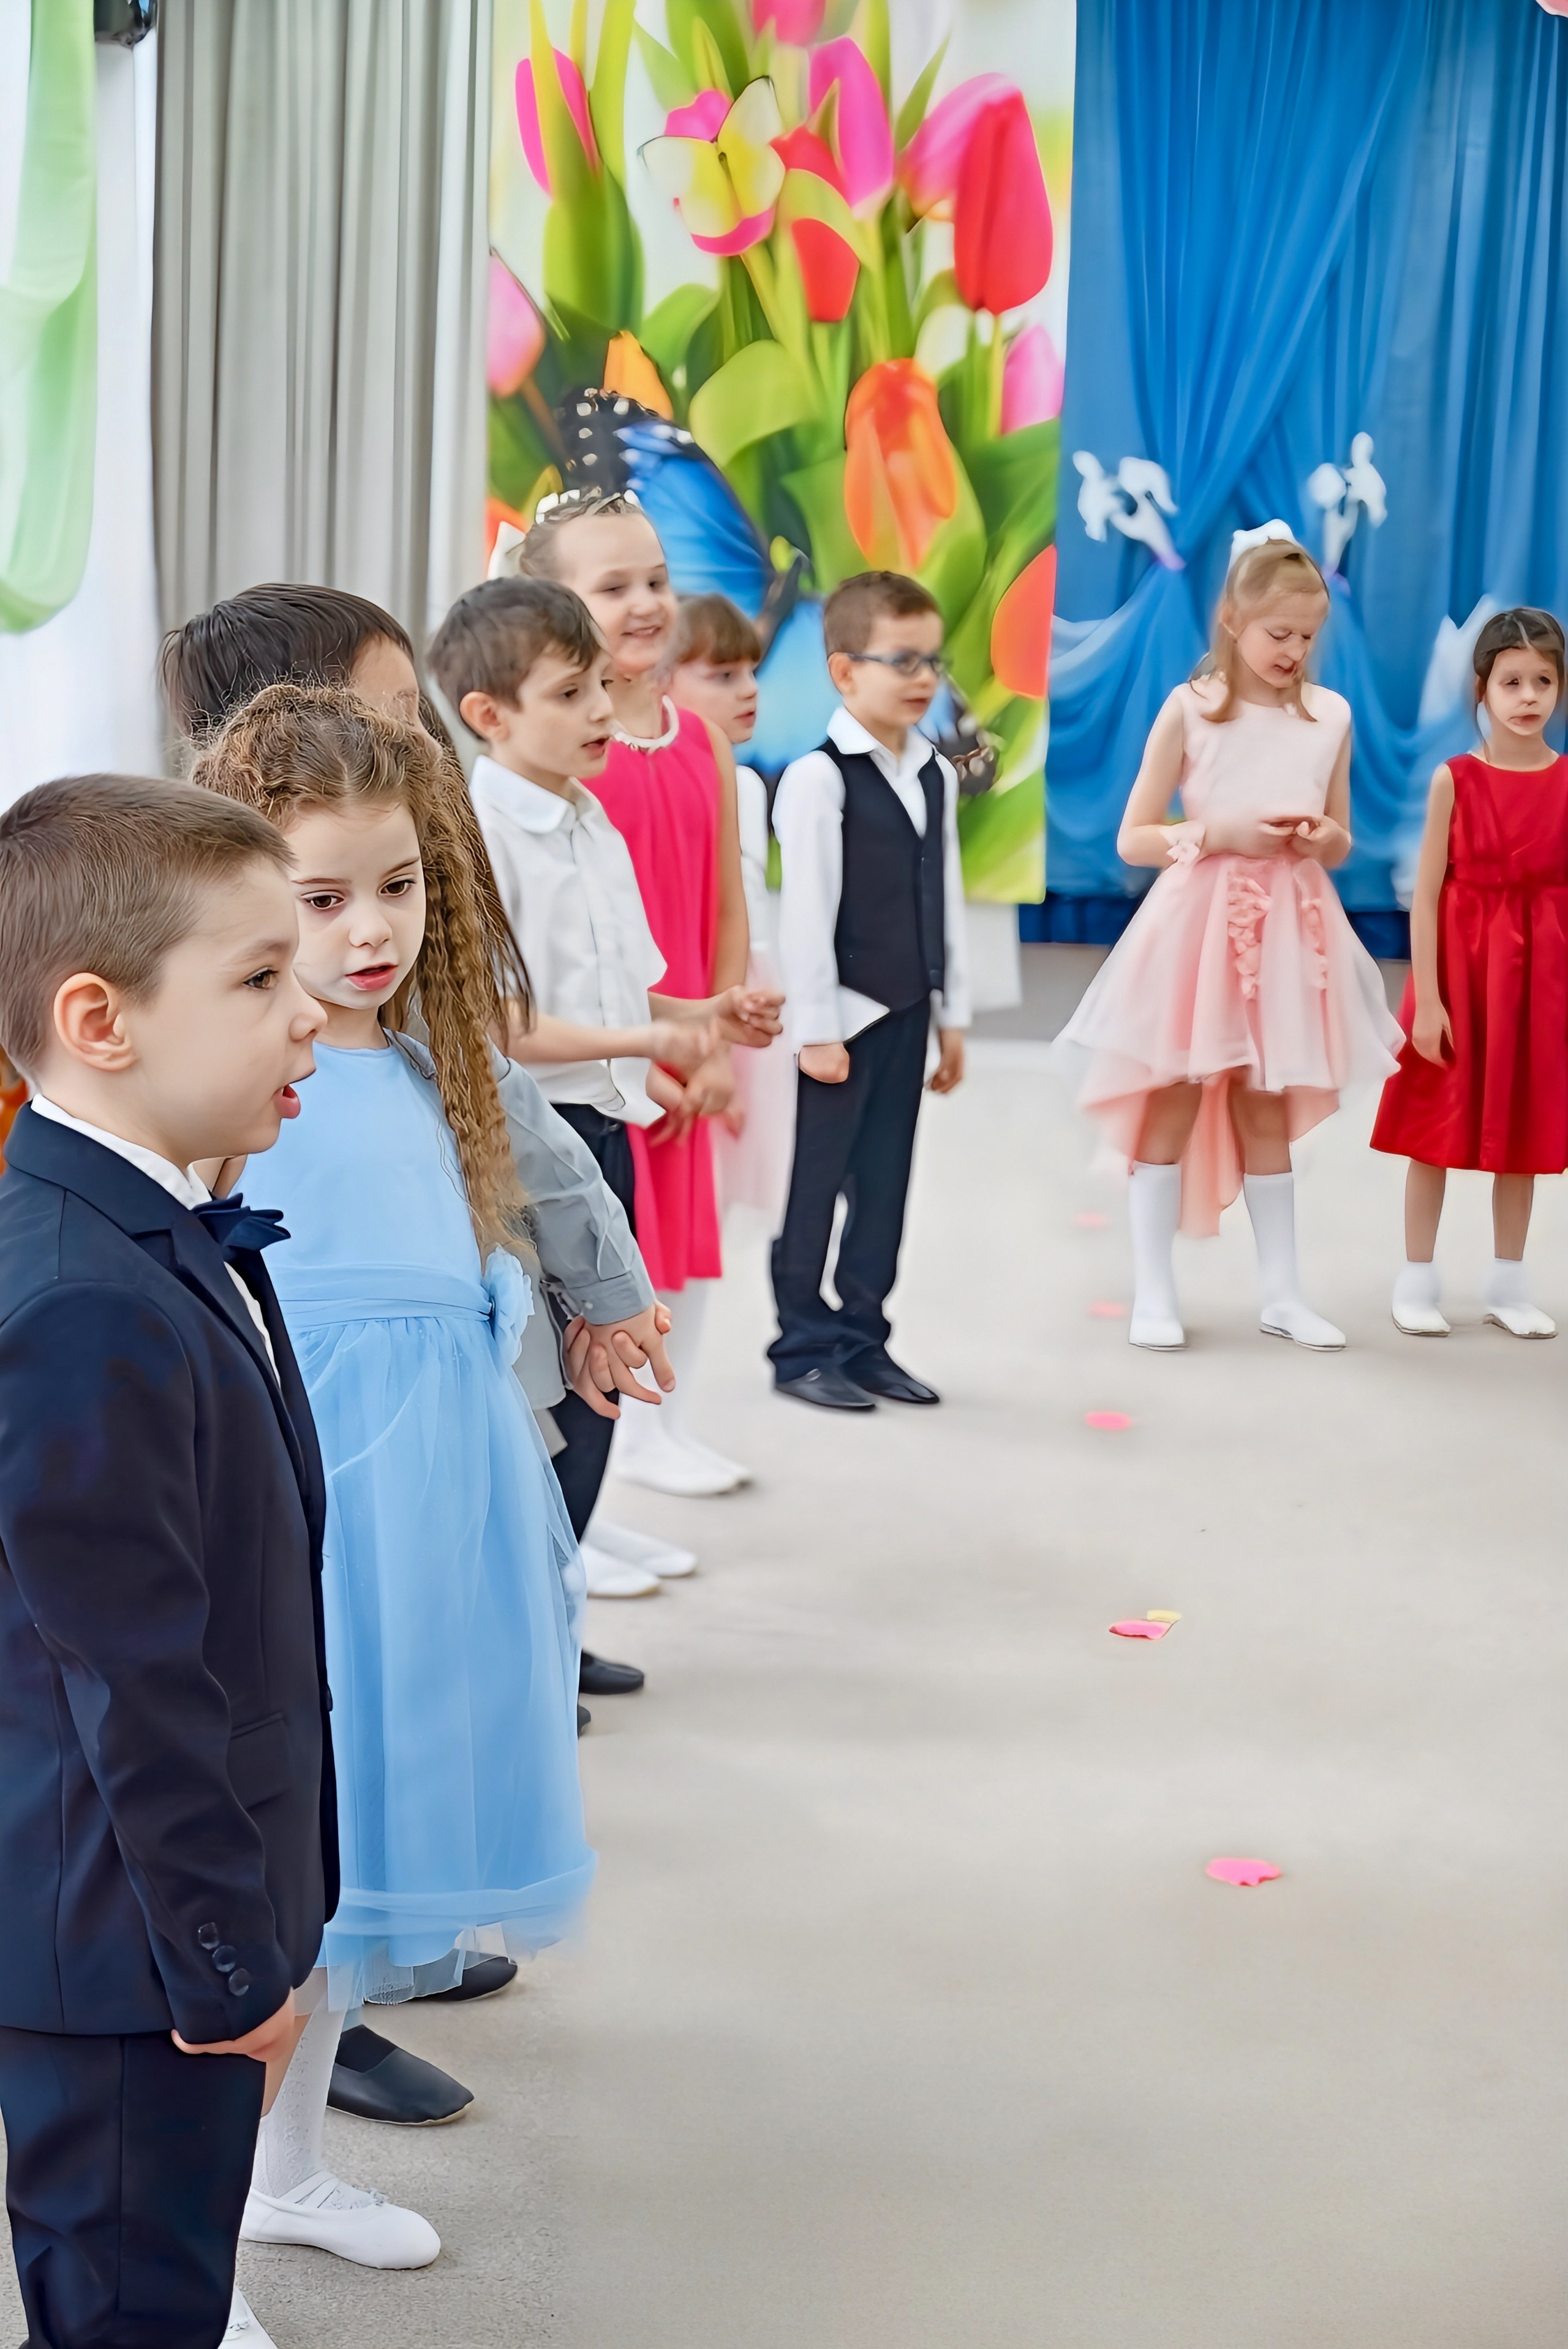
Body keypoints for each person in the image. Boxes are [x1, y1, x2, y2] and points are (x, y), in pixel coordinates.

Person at [162, 583, 658, 2122]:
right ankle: (249, 2164)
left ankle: (306, 2146)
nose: (369, 931)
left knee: (390, 1787)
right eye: (323, 902)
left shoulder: (434, 1052)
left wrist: (604, 1292)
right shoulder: (242, 1067)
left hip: (440, 1465)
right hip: (303, 1478)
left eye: (397, 889)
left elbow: (541, 1163)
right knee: (297, 1792)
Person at [0, 775, 332, 2349]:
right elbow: (130, 1676)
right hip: (128, 1952)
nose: (309, 1012)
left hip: (160, 1921)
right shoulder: (79, 1301)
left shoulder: (148, 1230)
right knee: (130, 2304)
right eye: (260, 978)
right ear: (98, 1018)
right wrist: (225, 1965)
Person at [428, 575, 782, 1592]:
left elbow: (628, 984)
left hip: (603, 1127)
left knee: (601, 1386)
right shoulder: (481, 838)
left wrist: (698, 1020)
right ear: (489, 716)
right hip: (534, 1141)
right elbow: (500, 1028)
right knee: (549, 1392)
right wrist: (652, 1038)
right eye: (569, 694)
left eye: (599, 687)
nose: (599, 711)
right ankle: (539, 1617)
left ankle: (564, 1610)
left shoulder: (590, 819)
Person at [1057, 533, 1403, 1351]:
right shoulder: (1193, 707)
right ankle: (1154, 1289)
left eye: (1308, 635)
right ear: (1233, 618)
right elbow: (1135, 837)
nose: (1294, 650)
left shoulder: (1332, 717)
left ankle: (1282, 1291)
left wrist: (1322, 838)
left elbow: (1344, 835)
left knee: (1266, 1105)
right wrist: (1216, 830)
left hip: (1291, 929)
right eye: (1278, 632)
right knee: (1174, 1092)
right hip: (1201, 927)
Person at [515, 491, 755, 1497]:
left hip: (686, 1043)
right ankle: (598, 1497)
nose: (648, 602)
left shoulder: (704, 741)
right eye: (613, 586)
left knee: (684, 1247)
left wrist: (714, 1042)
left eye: (656, 578)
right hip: (601, 1059)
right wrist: (652, 1044)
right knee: (605, 1268)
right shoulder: (565, 761)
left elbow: (726, 906)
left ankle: (662, 1431)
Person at [767, 571, 970, 1409]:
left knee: (886, 1183)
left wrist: (952, 1012)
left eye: (932, 659)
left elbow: (944, 892)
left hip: (909, 1011)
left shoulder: (934, 772)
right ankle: (800, 1346)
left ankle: (864, 1335)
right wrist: (816, 1029)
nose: (923, 677)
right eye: (902, 659)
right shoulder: (819, 779)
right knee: (817, 1185)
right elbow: (807, 913)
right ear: (846, 671)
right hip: (841, 1021)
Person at [1371, 606, 1568, 1338]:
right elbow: (1424, 897)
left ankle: (1508, 1284)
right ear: (1481, 689)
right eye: (1511, 680)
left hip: (1539, 984)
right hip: (1459, 976)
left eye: (1542, 681)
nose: (1527, 696)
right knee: (1436, 1129)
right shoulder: (1454, 781)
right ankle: (1416, 1278)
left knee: (1522, 1132)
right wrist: (1425, 1002)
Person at [673, 593, 796, 1229]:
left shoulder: (743, 783)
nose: (749, 691)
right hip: (696, 996)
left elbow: (741, 906)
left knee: (720, 1200)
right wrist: (712, 1047)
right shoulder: (676, 778)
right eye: (722, 676)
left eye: (752, 672)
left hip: (746, 989)